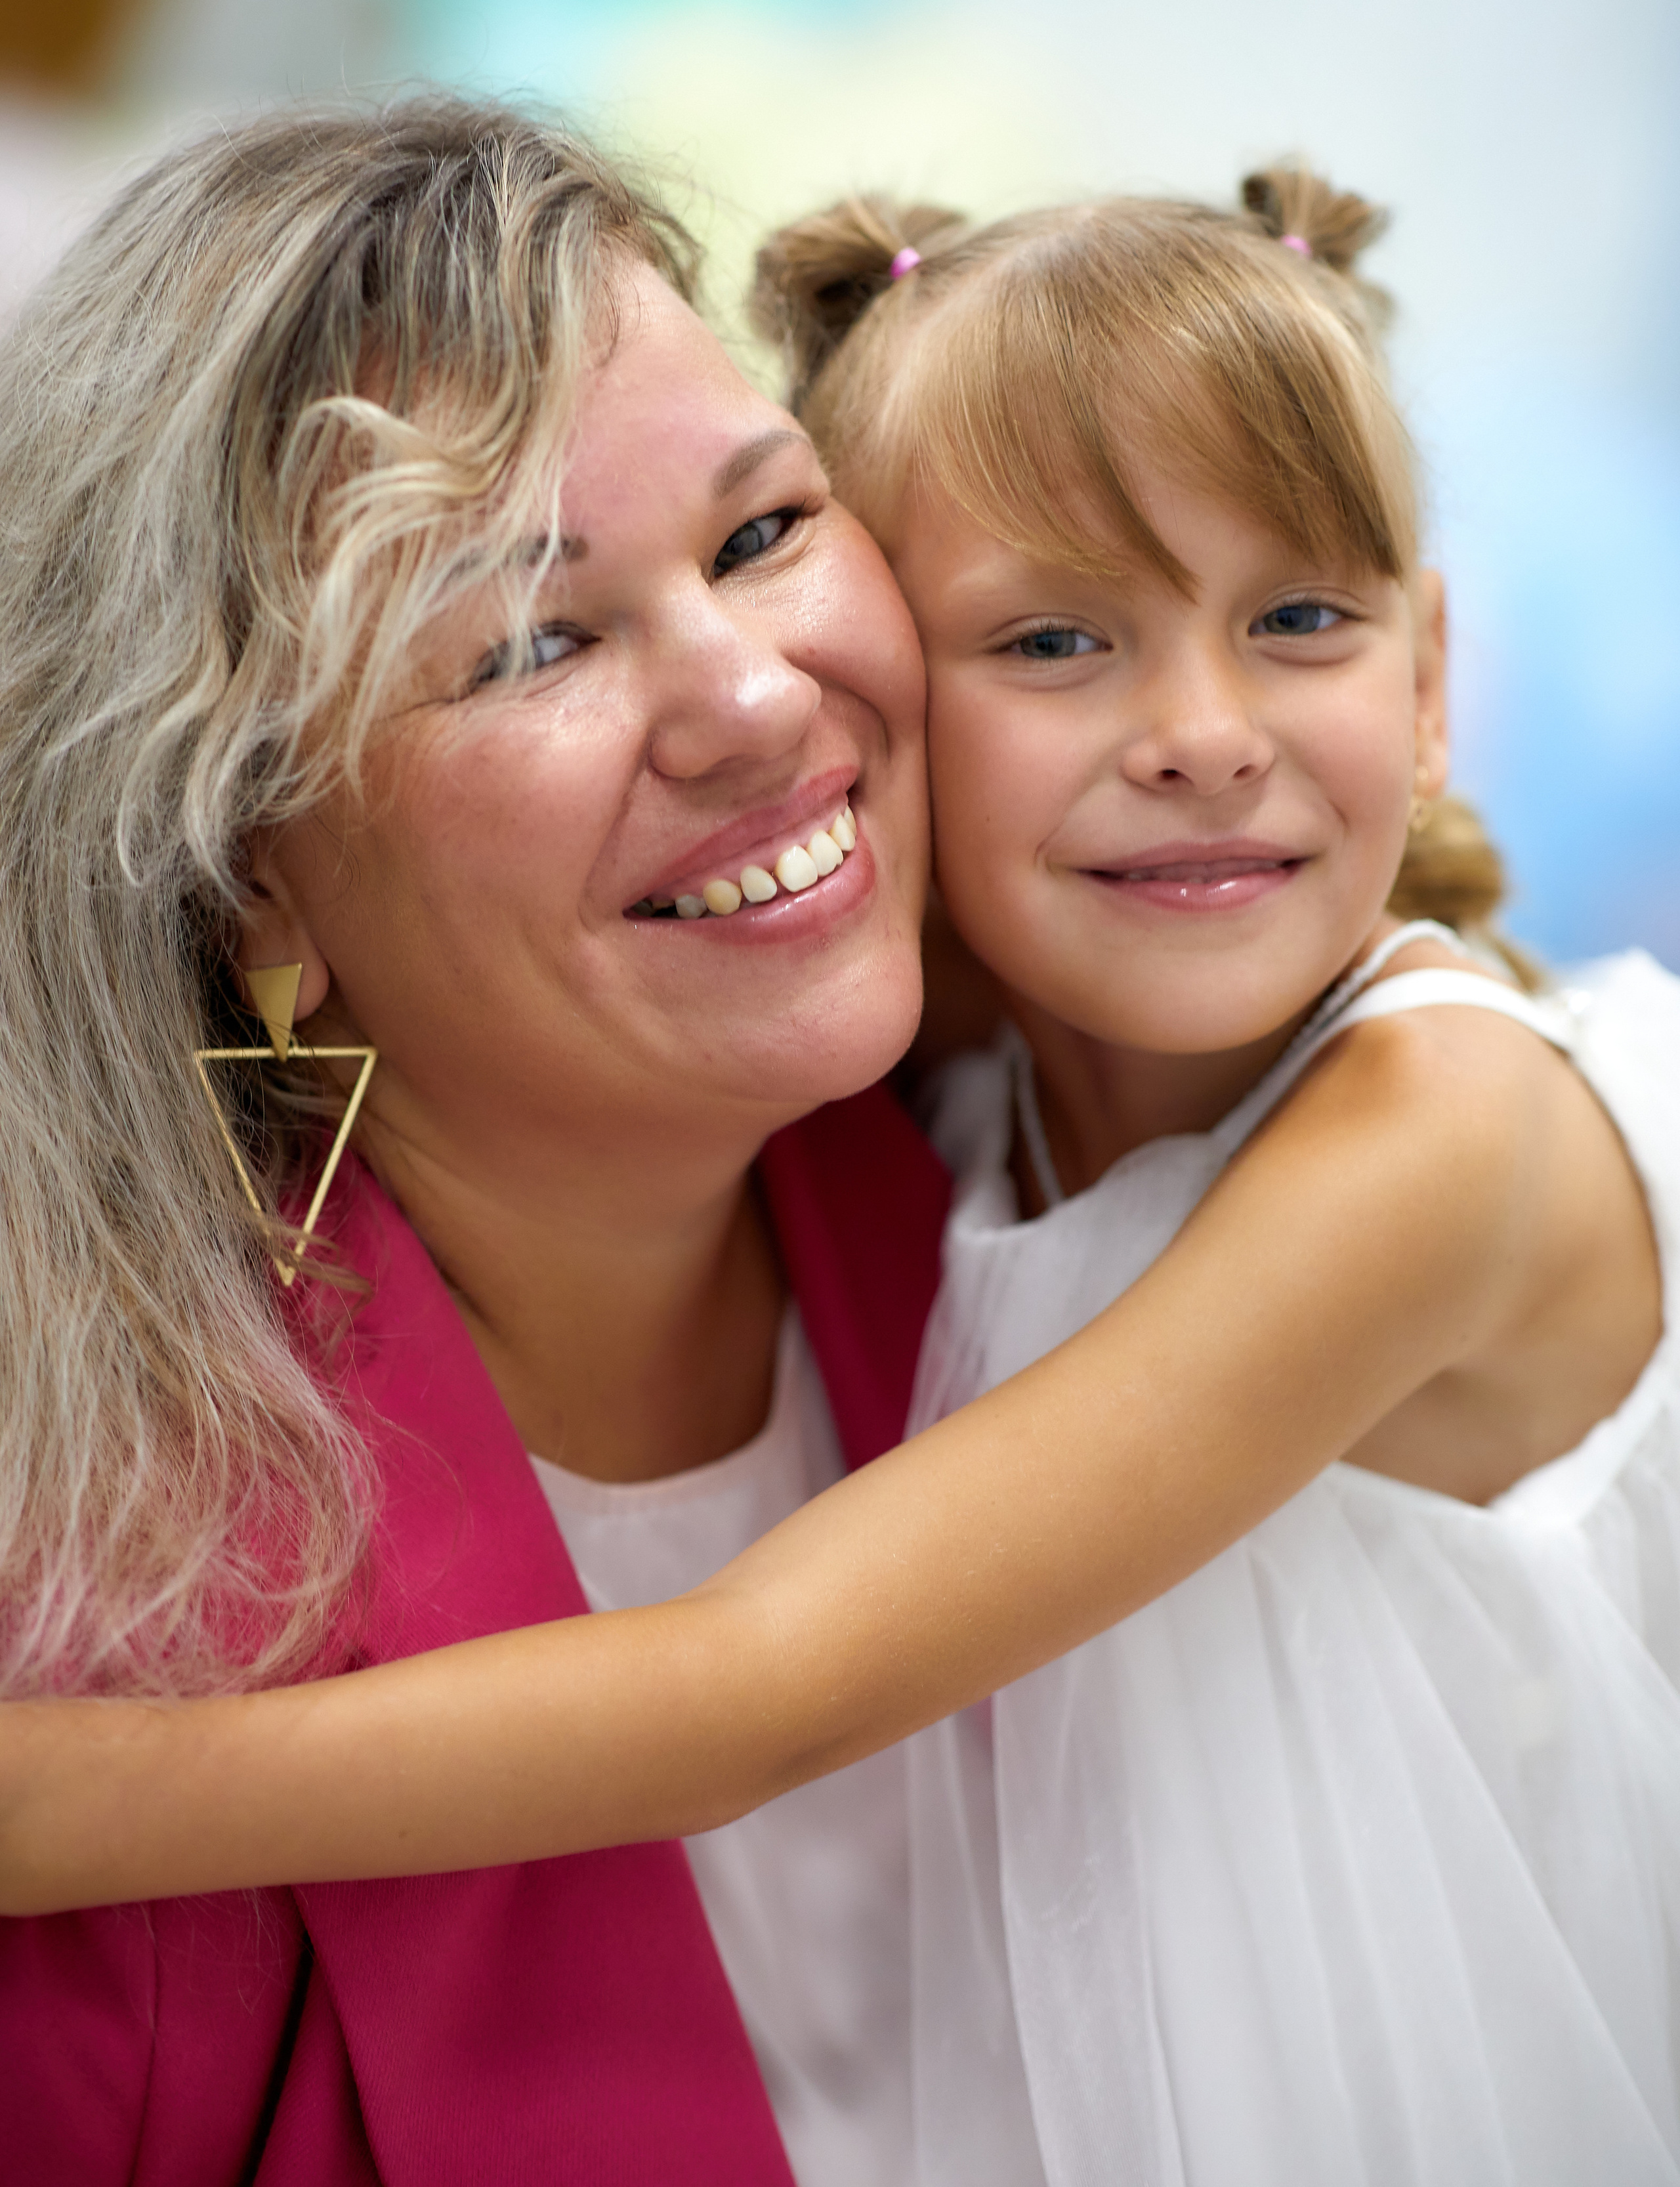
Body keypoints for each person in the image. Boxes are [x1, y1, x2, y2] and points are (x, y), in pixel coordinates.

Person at [5, 141, 1679, 2186]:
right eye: (532, 641)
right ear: (251, 867)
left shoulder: (1272, 1113)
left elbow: (758, 1683)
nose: (751, 695)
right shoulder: (119, 1566)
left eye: (767, 530)